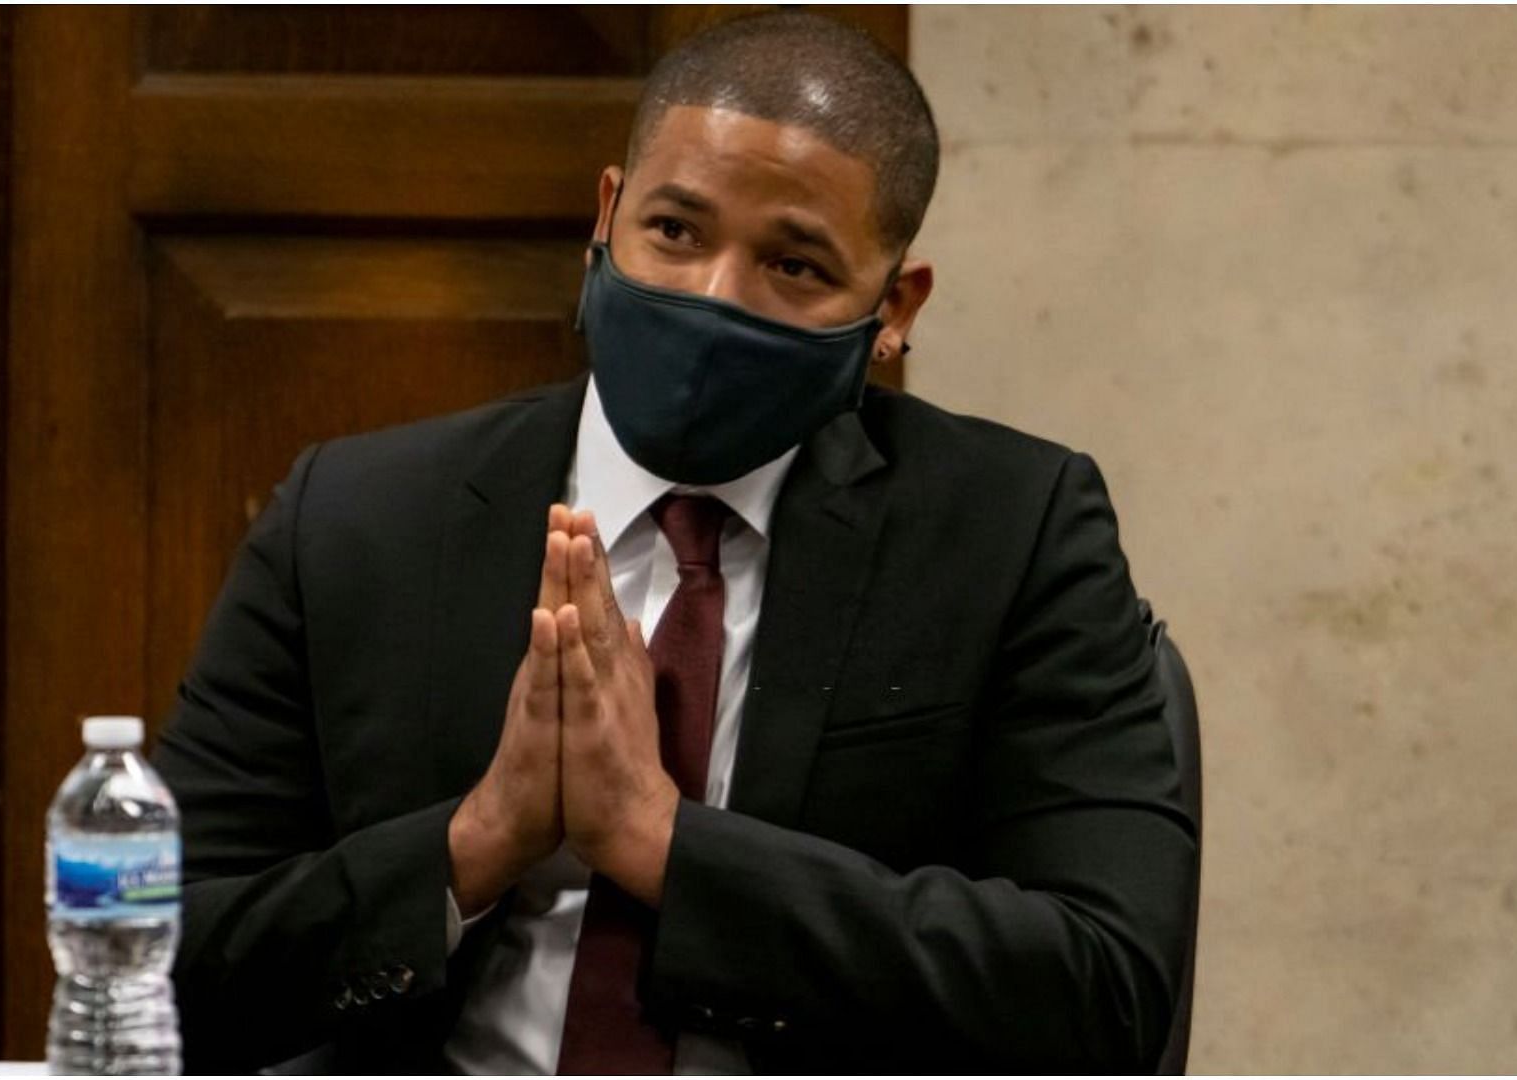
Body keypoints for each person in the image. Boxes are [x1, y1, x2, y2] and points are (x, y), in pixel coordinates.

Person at [153, 11, 1196, 1075]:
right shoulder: (359, 518)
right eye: (676, 232)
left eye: (794, 266)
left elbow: (1106, 992)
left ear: (894, 309)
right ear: (607, 214)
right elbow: (149, 958)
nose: (711, 299)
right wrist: (477, 845)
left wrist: (665, 844)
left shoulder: (1010, 533)